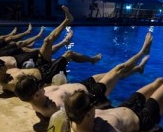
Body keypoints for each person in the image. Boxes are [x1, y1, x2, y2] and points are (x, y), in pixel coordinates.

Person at [14, 32, 154, 120]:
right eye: (38, 86)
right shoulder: (50, 109)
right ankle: (143, 51)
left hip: (83, 84)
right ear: (35, 95)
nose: (41, 86)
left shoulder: (36, 101)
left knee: (112, 75)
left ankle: (138, 69)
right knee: (118, 69)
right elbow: (76, 114)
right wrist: (100, 105)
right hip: (91, 94)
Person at [0, 29, 100, 93]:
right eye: (0, 64)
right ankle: (92, 60)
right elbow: (27, 90)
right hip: (47, 74)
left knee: (47, 41)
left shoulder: (7, 74)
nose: (2, 63)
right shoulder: (11, 84)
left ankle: (66, 31)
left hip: (40, 66)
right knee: (70, 54)